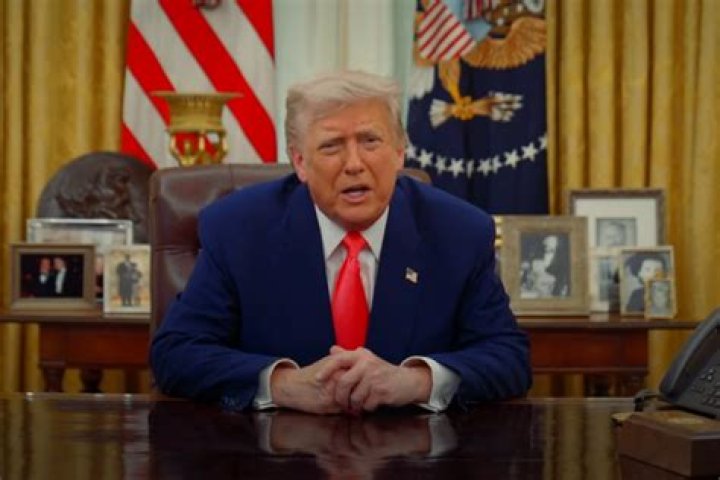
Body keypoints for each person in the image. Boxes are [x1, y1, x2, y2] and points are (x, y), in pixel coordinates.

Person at [150, 70, 531, 414]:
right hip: (275, 450)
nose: (354, 164)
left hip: (416, 453)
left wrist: (416, 381)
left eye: (370, 141)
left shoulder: (459, 232)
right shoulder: (239, 229)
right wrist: (284, 385)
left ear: (400, 152)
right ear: (300, 162)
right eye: (331, 146)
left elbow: (508, 358)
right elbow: (176, 353)